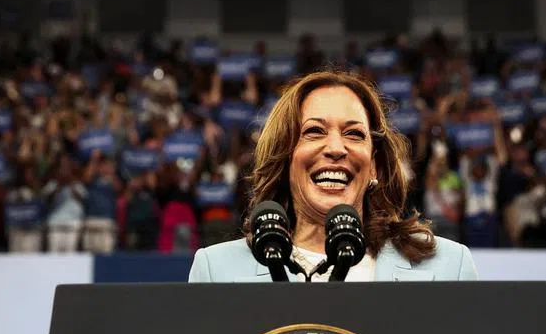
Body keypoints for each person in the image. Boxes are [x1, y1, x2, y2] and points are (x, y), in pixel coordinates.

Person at [188, 69, 479, 282]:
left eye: (354, 134)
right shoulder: (217, 271)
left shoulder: (448, 268)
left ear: (374, 166)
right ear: (284, 158)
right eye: (314, 131)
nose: (337, 148)